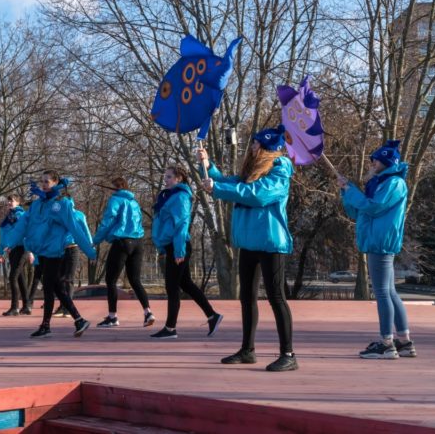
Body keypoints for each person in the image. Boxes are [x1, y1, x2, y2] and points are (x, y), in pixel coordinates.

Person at [199, 124, 298, 372]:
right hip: (249, 242)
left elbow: (257, 195)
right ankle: (247, 350)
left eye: (256, 144)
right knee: (247, 298)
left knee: (276, 298)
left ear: (267, 148)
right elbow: (226, 182)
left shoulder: (280, 170)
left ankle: (288, 354)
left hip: (270, 242)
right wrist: (208, 165)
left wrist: (218, 188)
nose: (251, 147)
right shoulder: (250, 171)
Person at [338, 140, 415, 359]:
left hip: (380, 241)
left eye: (375, 159)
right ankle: (404, 342)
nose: (371, 162)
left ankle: (386, 343)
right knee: (389, 291)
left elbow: (373, 207)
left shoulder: (392, 183)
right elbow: (359, 211)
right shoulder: (381, 182)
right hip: (377, 240)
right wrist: (347, 191)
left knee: (382, 292)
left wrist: (351, 191)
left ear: (386, 161)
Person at [2, 171, 97, 338]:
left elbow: (75, 228)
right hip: (41, 251)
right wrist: (8, 243)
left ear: (55, 183)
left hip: (55, 252)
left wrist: (90, 251)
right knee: (56, 288)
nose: (44, 184)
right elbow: (22, 225)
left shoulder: (61, 204)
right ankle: (78, 320)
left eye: (47, 182)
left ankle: (47, 325)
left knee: (49, 287)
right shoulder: (37, 205)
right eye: (42, 181)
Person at [150, 166, 222, 340]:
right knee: (186, 284)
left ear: (179, 178)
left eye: (169, 177)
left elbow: (181, 225)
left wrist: (179, 250)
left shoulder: (181, 197)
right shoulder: (169, 197)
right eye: (165, 177)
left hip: (178, 246)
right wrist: (162, 247)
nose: (165, 180)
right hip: (172, 246)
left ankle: (170, 328)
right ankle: (212, 316)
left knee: (172, 287)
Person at [92, 177, 155, 328]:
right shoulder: (134, 202)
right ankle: (148, 313)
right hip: (138, 242)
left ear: (115, 189)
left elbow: (108, 220)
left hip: (122, 242)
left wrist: (96, 240)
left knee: (111, 281)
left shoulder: (116, 199)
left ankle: (112, 317)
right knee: (135, 280)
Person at [0, 195, 33, 316]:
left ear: (18, 203)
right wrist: (1, 252)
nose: (9, 202)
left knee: (12, 276)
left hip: (21, 248)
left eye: (12, 201)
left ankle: (15, 307)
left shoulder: (20, 215)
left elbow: (25, 232)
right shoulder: (8, 217)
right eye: (8, 200)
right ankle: (27, 306)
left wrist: (30, 250)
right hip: (11, 249)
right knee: (20, 277)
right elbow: (4, 237)